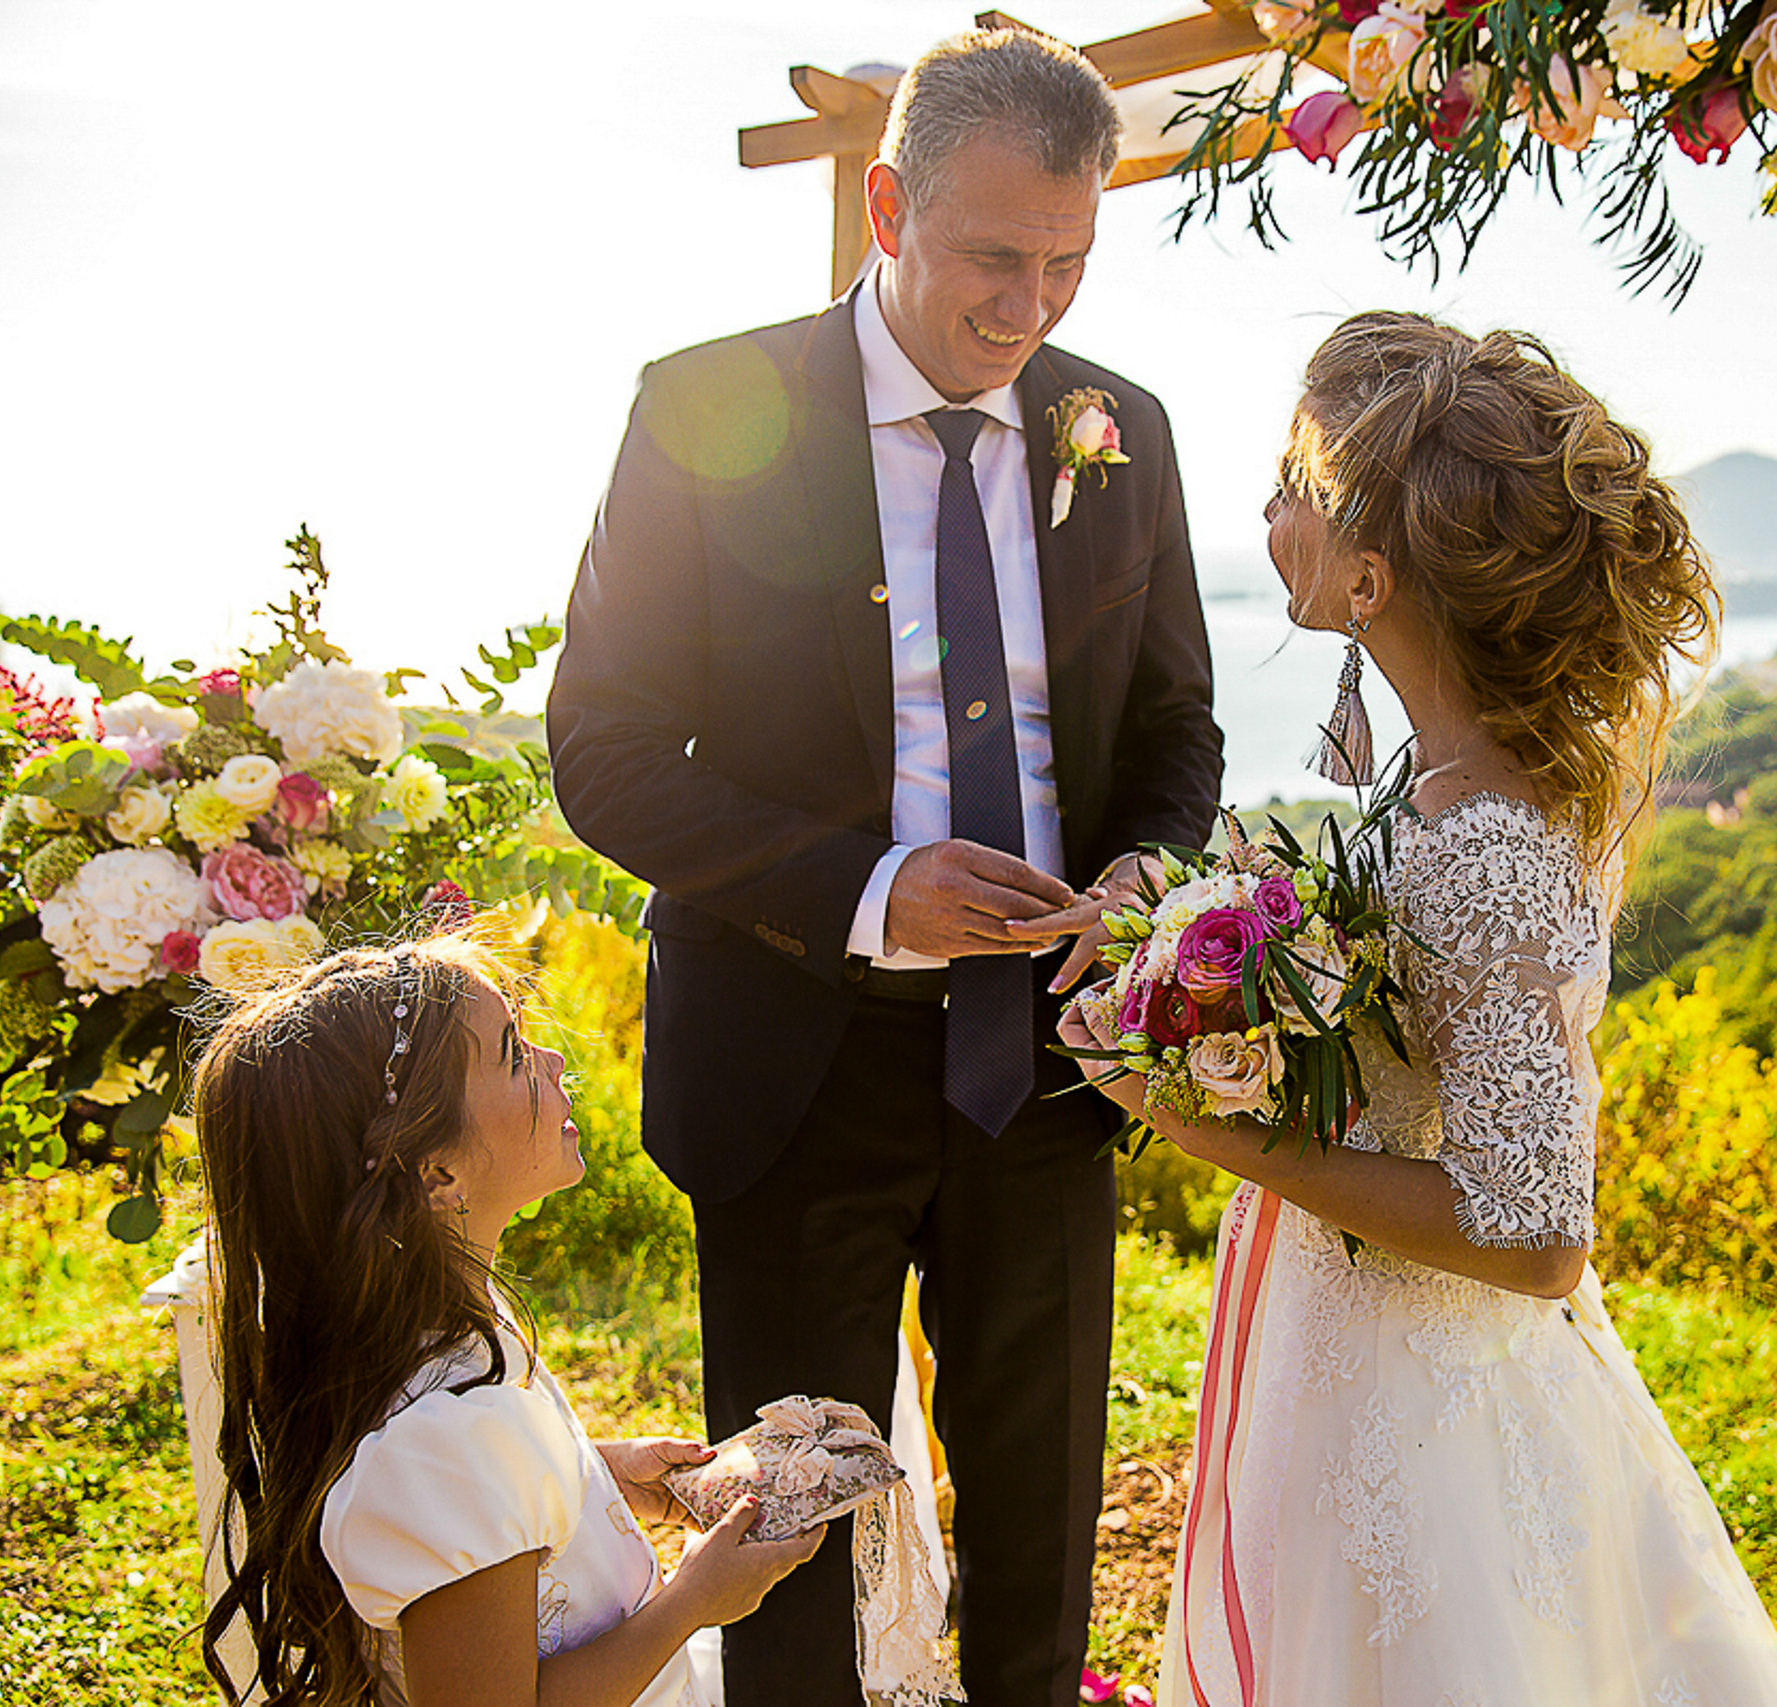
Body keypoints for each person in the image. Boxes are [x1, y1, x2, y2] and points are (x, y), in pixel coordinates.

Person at [544, 27, 1223, 1707]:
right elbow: (605, 749)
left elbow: (1178, 733)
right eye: (998, 255)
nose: (1034, 304)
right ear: (882, 206)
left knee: (1043, 1525)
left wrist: (1142, 877)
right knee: (781, 1536)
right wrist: (871, 887)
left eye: (1071, 260)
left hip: (1050, 1069)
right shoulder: (705, 410)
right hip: (792, 1063)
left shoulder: (1118, 430)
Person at [1060, 312, 1777, 1705]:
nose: (1266, 509)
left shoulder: (1481, 845)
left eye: (1294, 483)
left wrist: (1195, 1124)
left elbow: (1534, 1236)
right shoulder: (1448, 790)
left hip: (1427, 1415)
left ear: (1369, 574)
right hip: (1356, 1355)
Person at [193, 936, 823, 1707]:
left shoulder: (447, 1334)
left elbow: (475, 1508)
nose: (552, 1057)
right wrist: (692, 1601)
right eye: (512, 1054)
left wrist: (594, 1477)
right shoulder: (449, 1435)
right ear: (438, 1172)